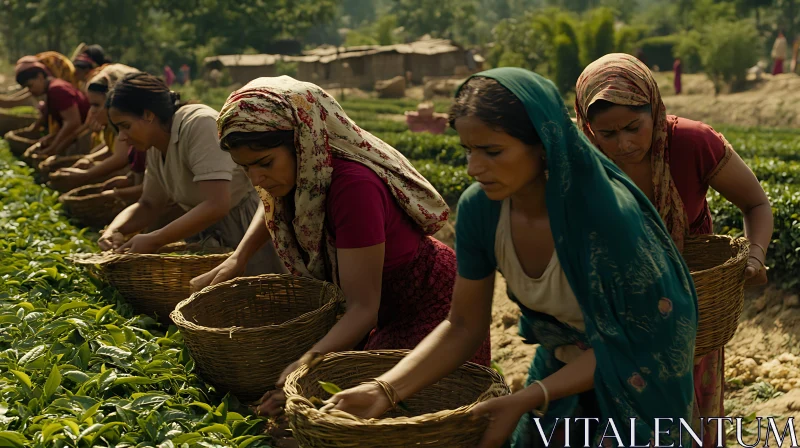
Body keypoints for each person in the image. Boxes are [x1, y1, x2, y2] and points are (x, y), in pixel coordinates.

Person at [326, 68, 699, 448]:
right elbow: (462, 325)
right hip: (565, 361)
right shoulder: (482, 210)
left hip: (642, 371)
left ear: (543, 143)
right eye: (468, 150)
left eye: (492, 151)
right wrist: (384, 389)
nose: (474, 168)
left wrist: (526, 397)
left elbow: (632, 344)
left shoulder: (603, 221)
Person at [189, 76, 492, 416]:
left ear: (303, 143)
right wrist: (238, 258)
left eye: (264, 163)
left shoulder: (353, 188)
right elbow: (271, 197)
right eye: (246, 168)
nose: (256, 179)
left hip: (428, 302)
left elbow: (363, 308)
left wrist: (304, 368)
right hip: (379, 304)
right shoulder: (303, 172)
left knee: (396, 410)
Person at [574, 53, 774, 447]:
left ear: (655, 108)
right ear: (587, 125)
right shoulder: (580, 159)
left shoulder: (692, 144)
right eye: (607, 134)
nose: (624, 143)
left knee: (686, 418)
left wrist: (755, 255)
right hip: (614, 307)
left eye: (634, 127)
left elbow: (756, 203)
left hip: (690, 305)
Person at [96, 73, 285, 280]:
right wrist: (114, 230)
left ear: (148, 115)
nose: (122, 136)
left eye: (125, 125)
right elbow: (149, 204)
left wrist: (156, 239)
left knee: (258, 296)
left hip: (244, 229)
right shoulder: (155, 146)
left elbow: (217, 204)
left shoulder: (198, 124)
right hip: (205, 235)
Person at [49, 64, 141, 194]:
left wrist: (85, 174)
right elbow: (110, 147)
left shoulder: (129, 128)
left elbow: (120, 157)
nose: (91, 111)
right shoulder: (112, 127)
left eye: (96, 105)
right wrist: (88, 160)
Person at [14, 56, 90, 158]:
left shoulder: (57, 90)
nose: (30, 90)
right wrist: (51, 138)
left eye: (30, 85)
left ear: (40, 77)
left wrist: (53, 148)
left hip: (86, 137)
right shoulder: (52, 88)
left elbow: (73, 123)